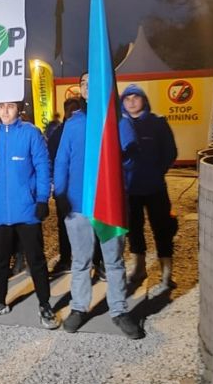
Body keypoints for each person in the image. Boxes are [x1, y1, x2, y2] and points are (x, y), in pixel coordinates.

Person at [53, 78, 144, 339]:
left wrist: (124, 160)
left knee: (114, 261)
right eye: (84, 83)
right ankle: (79, 307)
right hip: (78, 205)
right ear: (81, 89)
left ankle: (118, 310)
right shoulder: (74, 123)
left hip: (109, 205)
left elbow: (131, 162)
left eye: (95, 80)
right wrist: (60, 195)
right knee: (81, 261)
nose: (89, 86)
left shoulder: (119, 121)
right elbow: (62, 160)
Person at [0, 101, 59, 330]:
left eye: (10, 106)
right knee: (1, 261)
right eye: (1, 107)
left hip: (26, 209)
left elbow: (43, 166)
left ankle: (45, 303)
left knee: (36, 260)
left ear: (18, 109)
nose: (5, 111)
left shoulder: (30, 133)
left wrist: (42, 198)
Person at [119, 84, 178, 294]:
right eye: (127, 98)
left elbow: (170, 152)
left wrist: (156, 171)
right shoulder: (119, 125)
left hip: (155, 188)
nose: (132, 102)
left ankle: (167, 272)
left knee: (162, 228)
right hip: (130, 189)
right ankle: (139, 268)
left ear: (144, 100)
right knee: (134, 230)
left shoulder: (158, 123)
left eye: (136, 97)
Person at [47, 97, 82, 275]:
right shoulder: (58, 133)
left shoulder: (86, 128)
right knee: (64, 225)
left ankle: (96, 261)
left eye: (75, 109)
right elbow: (51, 159)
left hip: (81, 188)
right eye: (69, 110)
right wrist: (55, 184)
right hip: (63, 189)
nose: (72, 113)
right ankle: (65, 259)